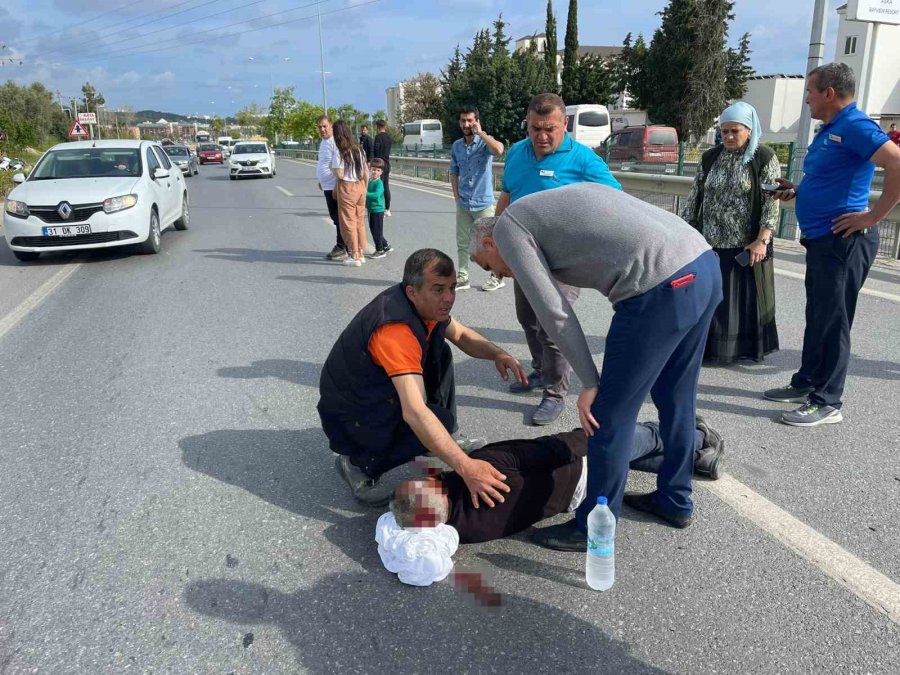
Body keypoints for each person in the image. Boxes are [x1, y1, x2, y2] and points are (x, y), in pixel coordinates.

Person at [469, 182, 721, 549]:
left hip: (660, 287)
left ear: (490, 243)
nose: (499, 276)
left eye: (487, 266)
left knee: (606, 417)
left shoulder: (509, 228)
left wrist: (589, 381)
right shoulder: (543, 210)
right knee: (676, 398)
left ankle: (590, 528)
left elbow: (555, 314)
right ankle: (675, 499)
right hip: (703, 265)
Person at [377, 418, 725, 585]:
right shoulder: (486, 468)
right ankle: (695, 435)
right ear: (436, 484)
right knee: (637, 438)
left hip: (574, 499)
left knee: (630, 455)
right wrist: (588, 437)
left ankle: (698, 460)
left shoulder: (462, 531)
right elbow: (547, 449)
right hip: (579, 467)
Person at [318, 249, 528, 507]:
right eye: (438, 289)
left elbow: (461, 335)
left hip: (375, 390)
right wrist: (466, 467)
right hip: (352, 411)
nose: (449, 298)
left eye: (452, 288)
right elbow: (415, 412)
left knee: (442, 351)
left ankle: (439, 443)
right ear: (412, 291)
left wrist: (498, 354)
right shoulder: (395, 330)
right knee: (430, 420)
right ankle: (357, 464)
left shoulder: (426, 308)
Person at [764, 63, 900, 427]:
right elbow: (832, 178)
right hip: (823, 240)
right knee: (818, 315)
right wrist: (796, 190)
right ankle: (806, 382)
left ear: (829, 93)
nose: (806, 98)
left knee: (834, 320)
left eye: (809, 91)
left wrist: (873, 216)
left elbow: (897, 162)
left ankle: (827, 402)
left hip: (845, 241)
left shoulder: (855, 125)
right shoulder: (832, 129)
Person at [496, 93, 622, 426]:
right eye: (535, 128)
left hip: (564, 261)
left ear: (564, 124)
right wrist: (497, 238)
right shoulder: (516, 153)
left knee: (553, 327)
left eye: (549, 128)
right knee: (529, 319)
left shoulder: (583, 160)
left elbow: (615, 201)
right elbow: (508, 194)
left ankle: (554, 394)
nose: (541, 136)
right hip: (524, 255)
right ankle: (540, 371)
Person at [681, 101, 781, 365]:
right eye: (724, 131)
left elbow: (771, 202)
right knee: (710, 294)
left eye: (735, 131)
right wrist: (685, 231)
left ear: (749, 130)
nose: (728, 136)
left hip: (745, 244)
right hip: (710, 240)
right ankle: (708, 348)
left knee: (739, 299)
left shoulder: (764, 157)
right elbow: (695, 196)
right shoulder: (710, 157)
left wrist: (762, 240)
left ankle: (740, 349)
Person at [449, 106, 505, 292]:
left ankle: (497, 276)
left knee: (491, 242)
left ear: (476, 121)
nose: (466, 124)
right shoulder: (457, 146)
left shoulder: (484, 143)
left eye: (470, 120)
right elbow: (454, 172)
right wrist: (456, 196)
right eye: (463, 120)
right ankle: (463, 276)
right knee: (462, 241)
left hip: (483, 202)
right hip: (464, 202)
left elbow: (498, 149)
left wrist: (481, 133)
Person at [331, 120, 369, 267]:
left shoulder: (339, 150)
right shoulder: (359, 149)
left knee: (348, 222)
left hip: (347, 187)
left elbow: (340, 173)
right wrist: (364, 188)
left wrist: (333, 169)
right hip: (360, 185)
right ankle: (361, 251)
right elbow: (365, 171)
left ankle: (354, 255)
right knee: (359, 220)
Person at [315, 116, 348, 261]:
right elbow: (324, 162)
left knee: (338, 217)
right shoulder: (323, 142)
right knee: (335, 217)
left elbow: (340, 165)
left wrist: (336, 185)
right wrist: (320, 179)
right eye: (320, 127)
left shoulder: (334, 142)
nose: (322, 129)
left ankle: (342, 246)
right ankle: (344, 244)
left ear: (331, 126)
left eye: (325, 126)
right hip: (326, 185)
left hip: (334, 186)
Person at [366, 158, 393, 258]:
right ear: (370, 169)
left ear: (381, 172)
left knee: (376, 231)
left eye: (378, 170)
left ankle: (380, 250)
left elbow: (376, 195)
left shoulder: (379, 183)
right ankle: (385, 245)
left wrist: (365, 193)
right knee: (376, 229)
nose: (375, 172)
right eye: (373, 169)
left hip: (377, 210)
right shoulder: (370, 181)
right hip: (371, 210)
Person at [373, 119, 393, 216]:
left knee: (378, 186)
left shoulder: (378, 137)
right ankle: (387, 209)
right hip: (387, 163)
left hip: (380, 164)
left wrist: (373, 164)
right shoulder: (389, 138)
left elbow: (376, 151)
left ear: (378, 127)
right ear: (384, 126)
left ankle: (379, 208)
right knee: (386, 186)